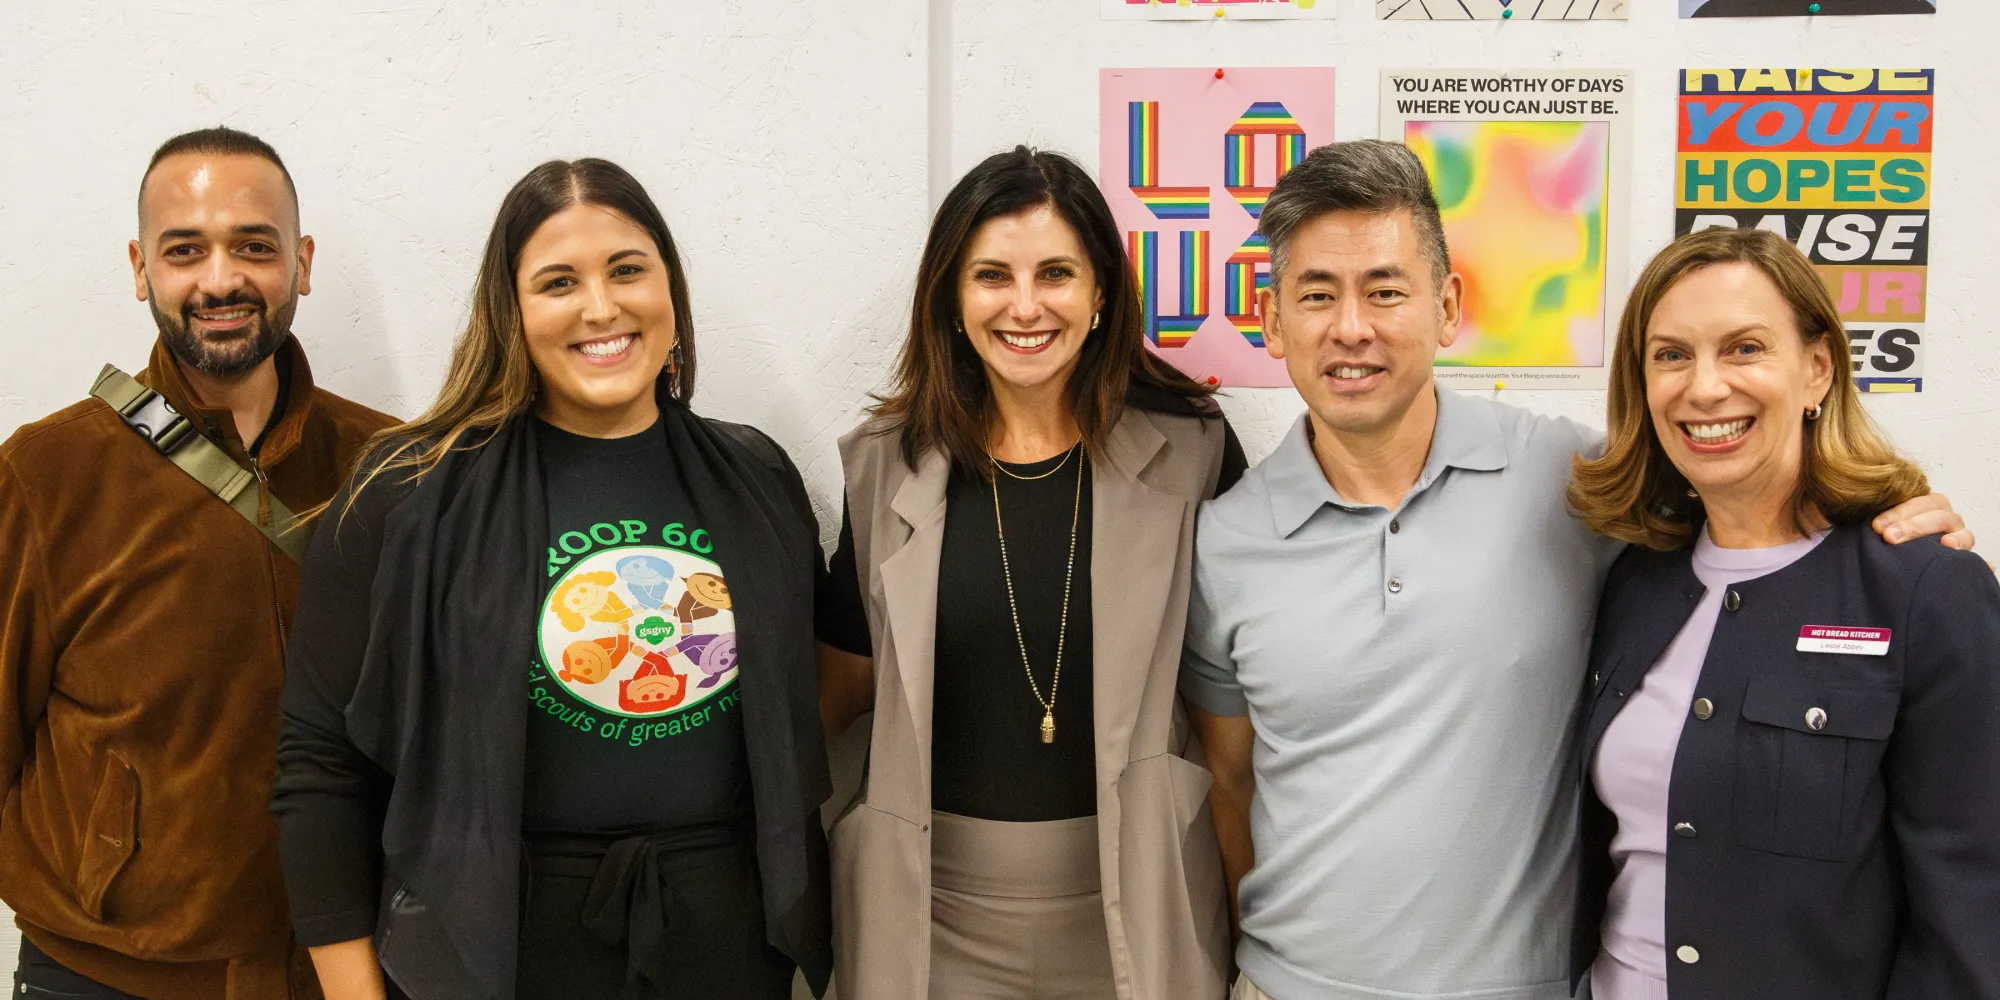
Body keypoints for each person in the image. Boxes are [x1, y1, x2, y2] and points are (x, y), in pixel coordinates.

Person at [1177, 140, 1970, 1000]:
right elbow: (1232, 782)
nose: (1351, 328)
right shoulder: (1223, 541)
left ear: (1448, 308)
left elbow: (1751, 501)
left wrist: (1891, 522)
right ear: (1272, 320)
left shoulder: (1573, 485)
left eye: (1386, 290)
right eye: (1317, 295)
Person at [270, 159, 832, 1000]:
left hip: (726, 941)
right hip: (493, 942)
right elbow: (320, 763)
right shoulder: (408, 494)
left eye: (627, 270)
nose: (600, 308)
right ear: (512, 311)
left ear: (670, 289)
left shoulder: (756, 477)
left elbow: (809, 694)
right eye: (559, 282)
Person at [815, 146, 1244, 999]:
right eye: (991, 276)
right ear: (951, 297)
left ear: (1100, 293)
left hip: (1142, 907)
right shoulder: (885, 467)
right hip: (930, 923)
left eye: (1055, 273)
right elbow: (835, 692)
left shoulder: (1193, 452)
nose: (1024, 306)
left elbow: (1236, 728)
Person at [0, 127, 393, 998]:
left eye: (254, 246)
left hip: (339, 968)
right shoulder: (45, 474)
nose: (221, 280)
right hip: (103, 975)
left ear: (301, 263)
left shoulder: (390, 467)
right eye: (185, 251)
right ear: (141, 268)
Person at [1567, 227, 2000, 999]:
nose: (1704, 388)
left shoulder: (1924, 590)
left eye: (1744, 348)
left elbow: (1973, 911)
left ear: (1818, 370)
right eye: (1671, 355)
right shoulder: (1632, 581)